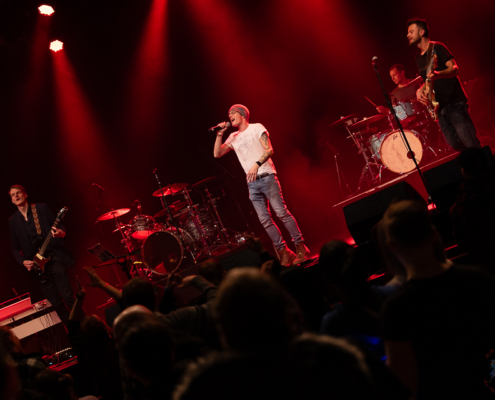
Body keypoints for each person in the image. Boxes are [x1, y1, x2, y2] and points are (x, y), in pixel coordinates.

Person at [380, 200, 495, 399]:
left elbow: (404, 387)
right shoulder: (479, 279)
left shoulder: (396, 309)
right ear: (434, 233)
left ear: (392, 246)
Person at [213, 104, 310, 266]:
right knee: (265, 220)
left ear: (242, 114)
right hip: (252, 183)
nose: (230, 116)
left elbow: (269, 150)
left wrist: (256, 165)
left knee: (281, 213)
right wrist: (219, 134)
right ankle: (284, 252)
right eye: (228, 114)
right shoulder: (233, 136)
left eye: (233, 112)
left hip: (267, 176)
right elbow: (217, 154)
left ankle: (301, 246)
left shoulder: (256, 128)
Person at [407, 18, 481, 151]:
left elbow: (454, 69)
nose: (408, 35)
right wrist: (420, 90)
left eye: (411, 32)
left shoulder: (437, 47)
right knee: (454, 144)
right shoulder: (418, 58)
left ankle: (485, 162)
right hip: (439, 108)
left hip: (454, 102)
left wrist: (438, 74)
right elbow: (428, 80)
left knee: (470, 143)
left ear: (422, 32)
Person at [8, 184, 75, 328]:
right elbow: (15, 248)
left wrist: (62, 233)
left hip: (53, 258)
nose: (16, 195)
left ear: (25, 194)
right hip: (38, 267)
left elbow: (60, 225)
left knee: (68, 296)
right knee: (57, 304)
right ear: (12, 200)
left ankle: (87, 327)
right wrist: (23, 261)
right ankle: (74, 332)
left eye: (18, 192)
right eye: (13, 195)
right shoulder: (13, 221)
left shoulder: (41, 208)